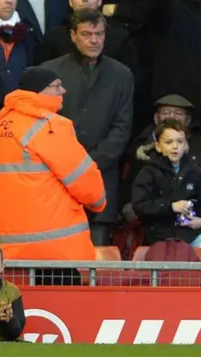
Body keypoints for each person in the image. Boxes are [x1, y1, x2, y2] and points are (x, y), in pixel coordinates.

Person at [0, 67, 106, 284]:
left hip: (10, 251)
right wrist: (99, 202)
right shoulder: (51, 126)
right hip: (56, 250)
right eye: (57, 86)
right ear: (38, 91)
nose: (64, 90)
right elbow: (83, 178)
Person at [41, 8, 133, 246]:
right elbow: (43, 123)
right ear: (73, 36)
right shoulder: (51, 71)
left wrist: (89, 163)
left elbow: (122, 128)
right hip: (58, 175)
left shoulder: (122, 75)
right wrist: (68, 163)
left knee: (97, 252)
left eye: (99, 34)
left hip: (102, 175)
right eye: (87, 34)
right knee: (59, 254)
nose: (94, 40)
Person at [131, 119, 201, 259]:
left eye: (180, 141)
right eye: (168, 142)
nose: (175, 146)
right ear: (158, 146)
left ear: (186, 145)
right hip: (160, 236)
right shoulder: (148, 173)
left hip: (191, 234)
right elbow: (140, 206)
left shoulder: (196, 172)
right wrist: (170, 207)